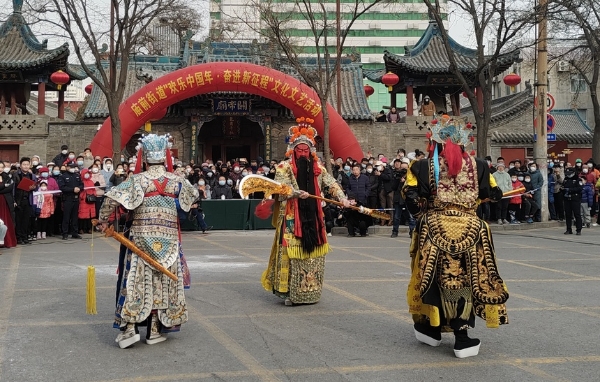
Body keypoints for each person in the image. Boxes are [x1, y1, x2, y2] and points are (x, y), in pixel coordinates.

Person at [402, 117, 508, 359]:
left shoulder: (420, 166)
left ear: (435, 141)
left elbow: (409, 195)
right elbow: (494, 193)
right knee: (469, 277)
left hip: (434, 227)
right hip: (472, 228)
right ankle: (462, 336)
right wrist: (483, 199)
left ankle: (432, 327)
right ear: (463, 143)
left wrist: (422, 216)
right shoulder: (480, 165)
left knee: (432, 276)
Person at [98, 133, 198, 349]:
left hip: (140, 239)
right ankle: (154, 330)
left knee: (135, 282)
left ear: (145, 159)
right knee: (162, 284)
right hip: (169, 241)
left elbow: (110, 199)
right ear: (164, 158)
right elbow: (194, 197)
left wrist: (103, 220)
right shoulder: (178, 181)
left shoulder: (137, 180)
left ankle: (130, 329)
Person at [262, 117, 350, 306]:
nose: (303, 153)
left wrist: (341, 198)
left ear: (312, 151)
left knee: (314, 254)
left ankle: (311, 291)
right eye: (299, 150)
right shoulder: (283, 167)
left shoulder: (318, 167)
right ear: (292, 150)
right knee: (290, 253)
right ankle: (288, 291)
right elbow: (279, 188)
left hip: (315, 216)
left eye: (306, 150)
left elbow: (331, 183)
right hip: (292, 217)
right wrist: (294, 192)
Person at [13, 157, 37, 245]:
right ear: (20, 165)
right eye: (24, 164)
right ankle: (19, 238)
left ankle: (25, 236)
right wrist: (14, 200)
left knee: (26, 220)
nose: (26, 166)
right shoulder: (16, 175)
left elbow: (36, 187)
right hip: (19, 200)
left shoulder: (32, 175)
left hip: (28, 199)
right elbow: (13, 189)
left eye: (27, 164)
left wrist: (34, 187)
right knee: (18, 220)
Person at [57, 163, 83, 240]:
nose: (73, 168)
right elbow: (62, 187)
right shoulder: (63, 176)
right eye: (71, 167)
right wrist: (72, 190)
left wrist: (79, 188)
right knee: (66, 217)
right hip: (67, 198)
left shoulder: (77, 175)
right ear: (67, 167)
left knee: (75, 216)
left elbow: (82, 185)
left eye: (74, 167)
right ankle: (65, 233)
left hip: (76, 198)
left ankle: (74, 232)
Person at [345, 164, 370, 237]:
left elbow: (368, 187)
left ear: (360, 170)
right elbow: (347, 188)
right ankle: (351, 232)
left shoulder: (365, 178)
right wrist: (350, 195)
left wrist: (365, 194)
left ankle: (363, 231)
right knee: (351, 216)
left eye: (357, 170)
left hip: (362, 201)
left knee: (363, 217)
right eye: (354, 170)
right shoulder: (350, 178)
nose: (355, 171)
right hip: (353, 202)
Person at [0, 162, 17, 248]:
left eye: (2, 167)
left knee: (6, 220)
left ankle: (6, 241)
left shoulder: (7, 177)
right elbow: (5, 187)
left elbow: (10, 188)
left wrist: (2, 189)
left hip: (5, 201)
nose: (1, 169)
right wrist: (4, 186)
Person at [562, 167, 582, 235]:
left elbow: (580, 188)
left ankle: (578, 229)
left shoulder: (577, 180)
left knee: (577, 214)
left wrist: (570, 190)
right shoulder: (565, 179)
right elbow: (563, 186)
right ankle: (568, 229)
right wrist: (563, 190)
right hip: (567, 199)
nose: (568, 175)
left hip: (575, 198)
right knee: (568, 215)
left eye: (569, 173)